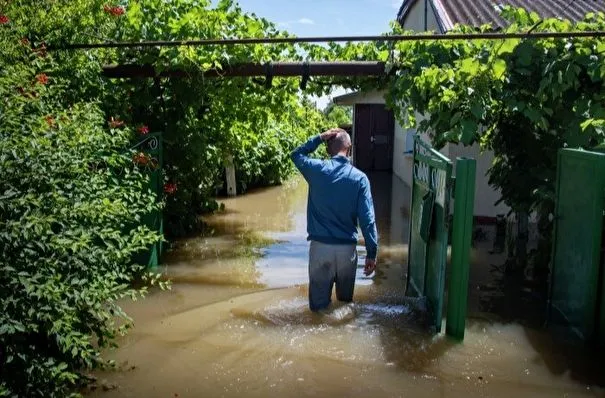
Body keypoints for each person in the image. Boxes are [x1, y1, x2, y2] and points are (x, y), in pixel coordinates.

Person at [291, 128, 378, 312]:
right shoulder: (360, 179)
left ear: (328, 147)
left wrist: (320, 137)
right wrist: (371, 252)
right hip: (347, 252)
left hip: (320, 249)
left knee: (318, 311)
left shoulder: (316, 169)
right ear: (350, 148)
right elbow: (368, 220)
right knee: (344, 309)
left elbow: (296, 154)